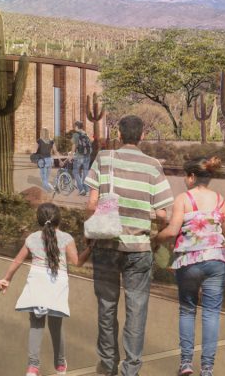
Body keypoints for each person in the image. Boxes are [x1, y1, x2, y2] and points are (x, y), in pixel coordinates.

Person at [85, 115, 174, 376]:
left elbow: (91, 204)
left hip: (106, 245)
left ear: (119, 134)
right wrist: (154, 233)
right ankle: (131, 369)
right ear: (142, 136)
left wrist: (89, 232)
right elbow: (163, 214)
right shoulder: (153, 166)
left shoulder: (104, 158)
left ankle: (108, 364)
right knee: (136, 310)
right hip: (139, 249)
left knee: (106, 306)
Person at [0, 203, 92, 376]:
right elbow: (77, 262)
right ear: (59, 219)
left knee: (36, 325)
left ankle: (32, 368)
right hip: (57, 284)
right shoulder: (66, 238)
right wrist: (91, 247)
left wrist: (7, 279)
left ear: (39, 219)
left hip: (37, 282)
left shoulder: (32, 238)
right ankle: (60, 366)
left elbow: (17, 260)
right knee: (56, 326)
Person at [157, 157, 225, 376]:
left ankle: (186, 363)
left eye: (185, 176)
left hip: (189, 262)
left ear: (191, 177)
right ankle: (207, 368)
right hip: (216, 261)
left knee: (188, 310)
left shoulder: (184, 199)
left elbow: (172, 231)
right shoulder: (220, 200)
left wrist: (155, 239)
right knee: (211, 313)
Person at [71, 121, 93, 196]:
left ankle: (81, 189)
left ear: (77, 126)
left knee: (75, 172)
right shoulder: (85, 134)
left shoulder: (76, 134)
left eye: (75, 126)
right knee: (85, 172)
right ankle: (86, 190)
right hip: (87, 156)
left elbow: (74, 145)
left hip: (79, 156)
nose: (74, 128)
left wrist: (71, 155)